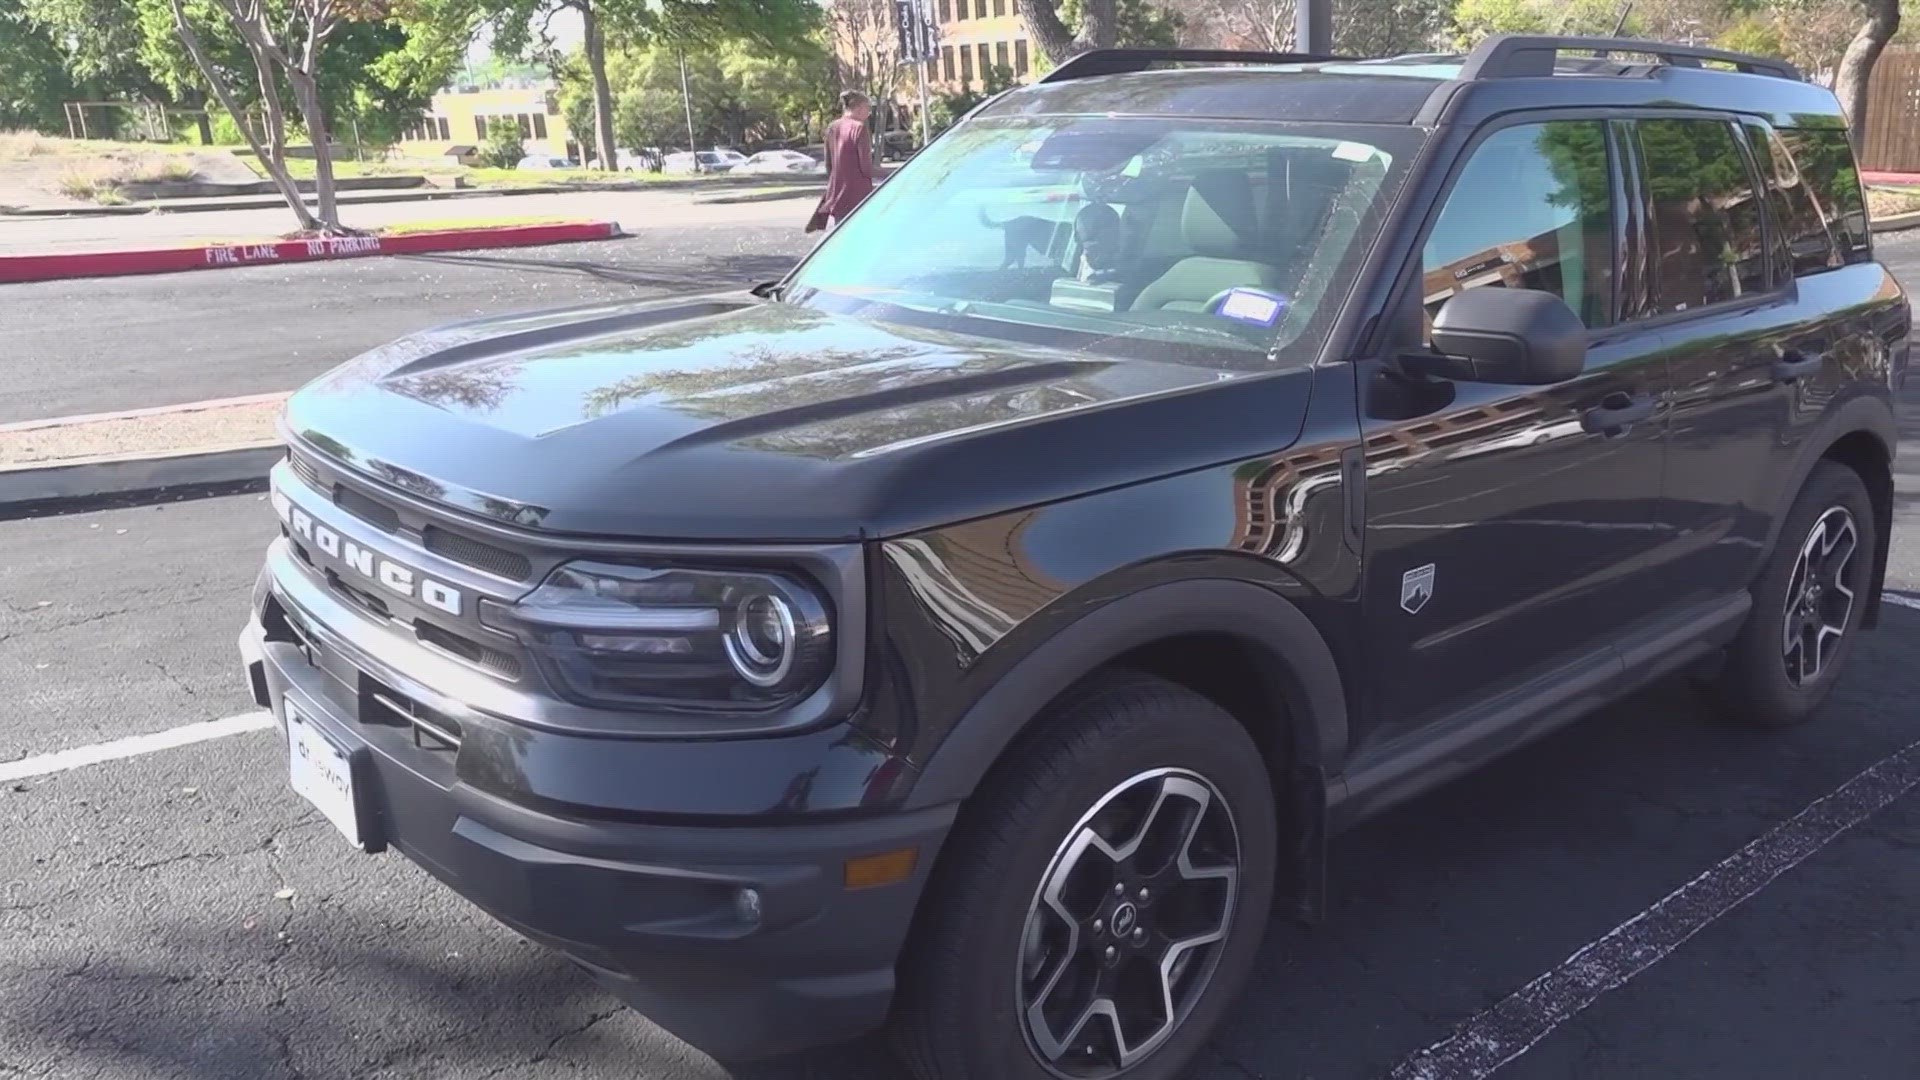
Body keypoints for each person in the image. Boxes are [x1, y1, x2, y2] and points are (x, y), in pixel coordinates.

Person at [808, 91, 884, 234]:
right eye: (868, 108)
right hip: (858, 195)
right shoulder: (859, 128)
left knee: (841, 234)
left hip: (837, 194)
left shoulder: (832, 127)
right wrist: (892, 173)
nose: (869, 113)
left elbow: (829, 165)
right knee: (861, 235)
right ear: (859, 107)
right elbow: (866, 168)